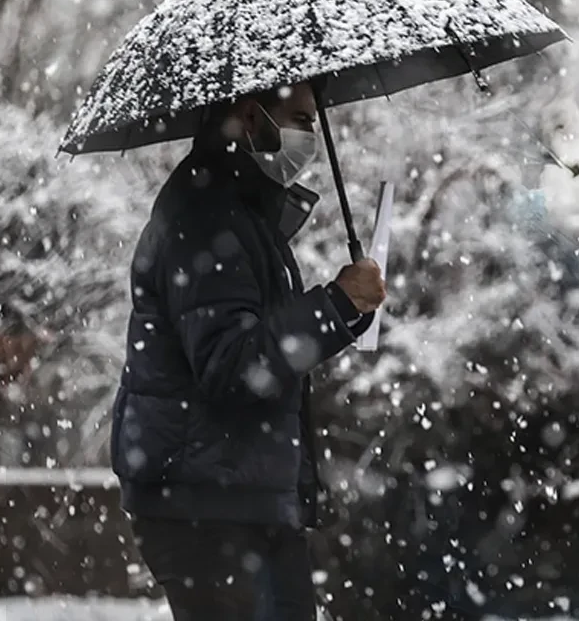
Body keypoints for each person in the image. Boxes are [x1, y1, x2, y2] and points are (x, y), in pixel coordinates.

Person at [109, 82, 387, 621]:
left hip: (234, 497)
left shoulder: (238, 213)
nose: (309, 135)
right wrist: (333, 306)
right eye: (300, 119)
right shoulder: (207, 217)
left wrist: (345, 311)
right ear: (250, 116)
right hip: (208, 506)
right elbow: (233, 365)